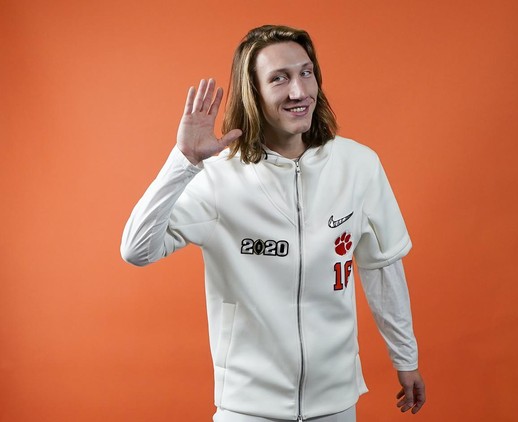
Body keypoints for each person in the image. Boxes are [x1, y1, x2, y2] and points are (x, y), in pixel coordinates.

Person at [121, 25, 425, 422]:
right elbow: (137, 250)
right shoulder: (217, 178)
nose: (299, 92)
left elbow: (382, 266)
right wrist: (184, 162)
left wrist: (406, 357)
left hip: (335, 402)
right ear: (254, 93)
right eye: (279, 78)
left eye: (306, 72)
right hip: (247, 408)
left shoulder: (358, 165)